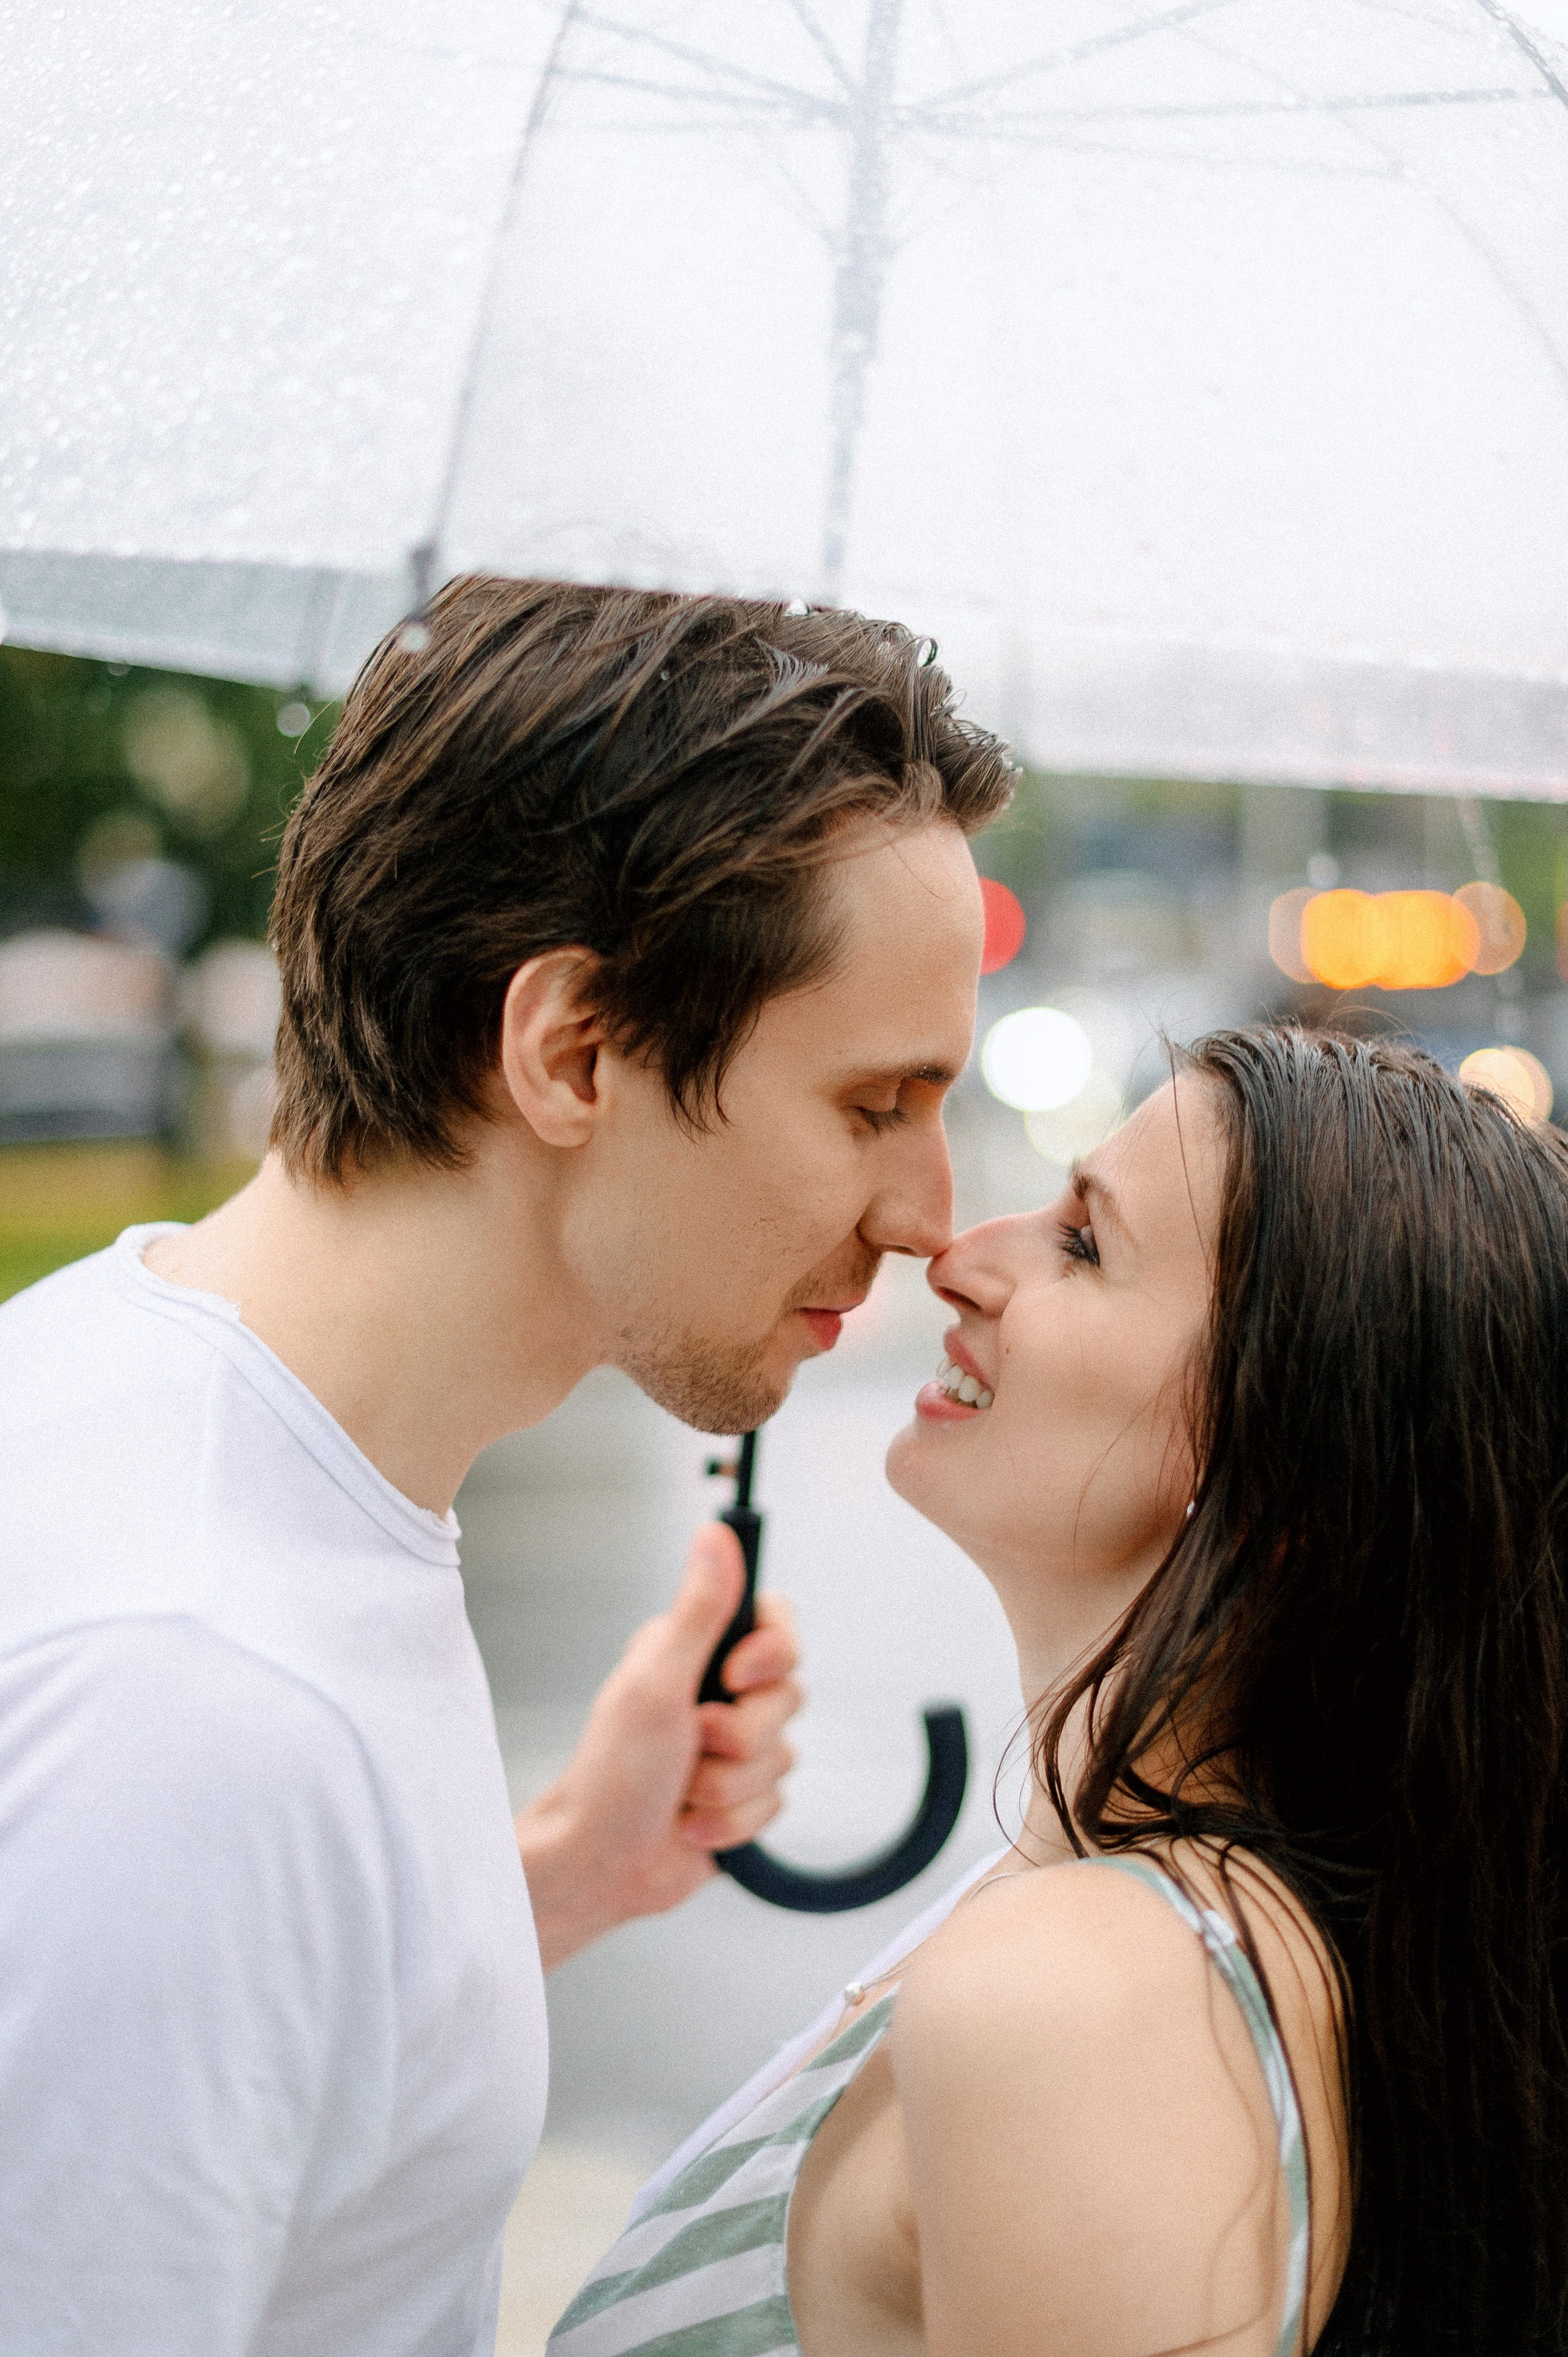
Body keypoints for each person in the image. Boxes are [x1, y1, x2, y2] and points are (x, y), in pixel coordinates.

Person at [0, 576, 1013, 2354]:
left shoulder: (165, 1401)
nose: (934, 1221)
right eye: (874, 1105)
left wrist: (550, 1873)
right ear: (572, 1050)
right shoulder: (194, 1701)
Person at [551, 1027, 1568, 2357]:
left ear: (1273, 1471)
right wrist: (578, 1868)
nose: (961, 1256)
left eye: (1084, 1245)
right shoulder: (1130, 1933)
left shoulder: (1085, 1998)